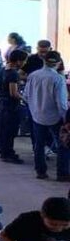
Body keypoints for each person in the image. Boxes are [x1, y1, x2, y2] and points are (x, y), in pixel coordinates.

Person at [23, 52, 70, 181]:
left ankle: (41, 171)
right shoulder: (58, 78)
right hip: (55, 117)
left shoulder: (33, 75)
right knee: (63, 145)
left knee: (39, 144)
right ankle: (62, 173)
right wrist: (66, 118)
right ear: (58, 63)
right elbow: (61, 102)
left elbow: (26, 96)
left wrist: (34, 108)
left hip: (37, 115)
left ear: (44, 61)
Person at [0, 49, 27, 164]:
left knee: (4, 129)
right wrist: (25, 99)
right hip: (11, 106)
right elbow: (13, 93)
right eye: (23, 61)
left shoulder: (4, 69)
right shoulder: (13, 74)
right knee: (10, 130)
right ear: (18, 61)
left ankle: (3, 151)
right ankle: (9, 153)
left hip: (3, 104)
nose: (24, 63)